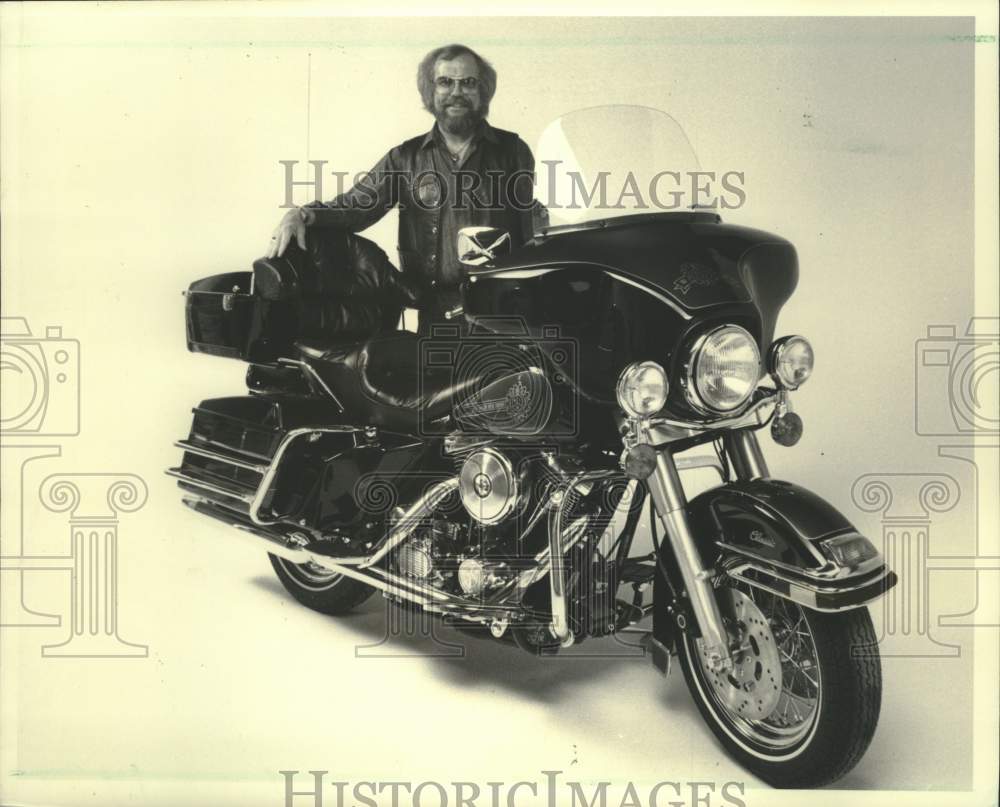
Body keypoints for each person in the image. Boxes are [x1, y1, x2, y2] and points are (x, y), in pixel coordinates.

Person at [268, 43, 539, 332]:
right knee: (439, 378)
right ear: (429, 91)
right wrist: (302, 215)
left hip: (504, 313)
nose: (457, 92)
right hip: (438, 313)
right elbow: (356, 207)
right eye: (445, 82)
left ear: (482, 90)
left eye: (468, 83)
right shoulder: (405, 158)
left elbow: (533, 232)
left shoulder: (514, 151)